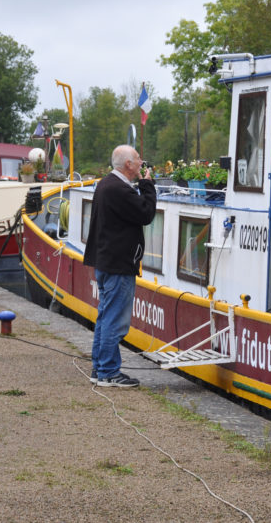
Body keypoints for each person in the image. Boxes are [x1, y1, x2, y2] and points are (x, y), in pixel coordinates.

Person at [83, 145, 157, 387]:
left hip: (105, 261)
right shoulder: (119, 190)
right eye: (137, 159)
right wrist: (147, 185)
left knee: (105, 317)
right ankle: (108, 372)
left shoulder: (105, 185)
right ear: (128, 164)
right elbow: (145, 214)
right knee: (115, 321)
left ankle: (99, 368)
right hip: (118, 265)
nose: (140, 162)